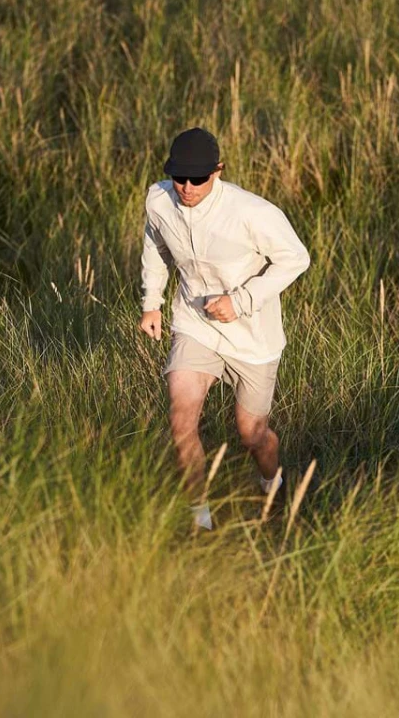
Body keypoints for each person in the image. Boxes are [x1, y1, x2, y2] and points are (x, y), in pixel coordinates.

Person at [139, 127, 310, 530]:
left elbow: (296, 258)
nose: (186, 186)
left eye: (197, 178)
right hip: (194, 324)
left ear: (218, 172)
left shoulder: (253, 213)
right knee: (181, 420)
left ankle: (273, 485)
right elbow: (156, 246)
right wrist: (152, 303)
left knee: (252, 435)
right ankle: (200, 521)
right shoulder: (159, 201)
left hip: (253, 338)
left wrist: (242, 300)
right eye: (179, 176)